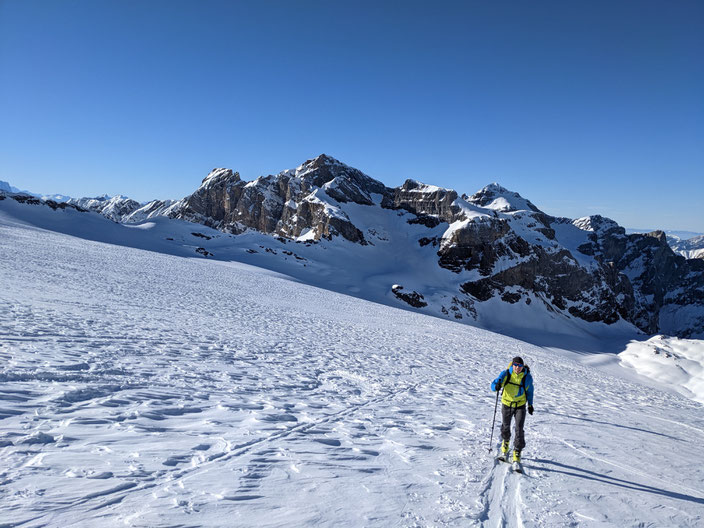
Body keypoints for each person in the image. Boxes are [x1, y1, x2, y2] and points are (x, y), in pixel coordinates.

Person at [491, 356, 534, 463]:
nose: (517, 368)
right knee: (506, 426)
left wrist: (530, 405)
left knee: (519, 428)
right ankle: (505, 444)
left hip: (520, 405)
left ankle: (517, 452)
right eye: (515, 365)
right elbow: (494, 384)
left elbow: (530, 392)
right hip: (507, 404)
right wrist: (496, 386)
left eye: (519, 366)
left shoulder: (527, 378)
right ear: (512, 365)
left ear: (522, 366)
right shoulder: (506, 374)